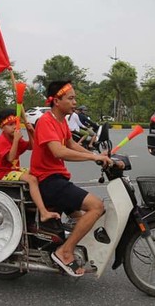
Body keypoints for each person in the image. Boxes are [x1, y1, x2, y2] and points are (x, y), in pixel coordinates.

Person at [30, 80, 113, 277]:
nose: (75, 102)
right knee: (96, 207)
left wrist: (98, 158)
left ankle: (70, 246)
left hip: (58, 179)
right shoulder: (46, 122)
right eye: (71, 98)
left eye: (75, 98)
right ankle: (64, 251)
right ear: (56, 101)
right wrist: (93, 157)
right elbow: (59, 151)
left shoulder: (61, 121)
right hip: (48, 182)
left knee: (84, 217)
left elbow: (70, 144)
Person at [0, 108, 60, 222]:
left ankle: (38, 202)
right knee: (31, 179)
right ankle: (43, 212)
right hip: (2, 172)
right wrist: (16, 141)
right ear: (2, 127)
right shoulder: (2, 140)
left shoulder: (15, 137)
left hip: (14, 170)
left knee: (38, 171)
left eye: (15, 124)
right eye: (10, 125)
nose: (14, 127)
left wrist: (30, 131)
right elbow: (10, 158)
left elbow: (32, 146)